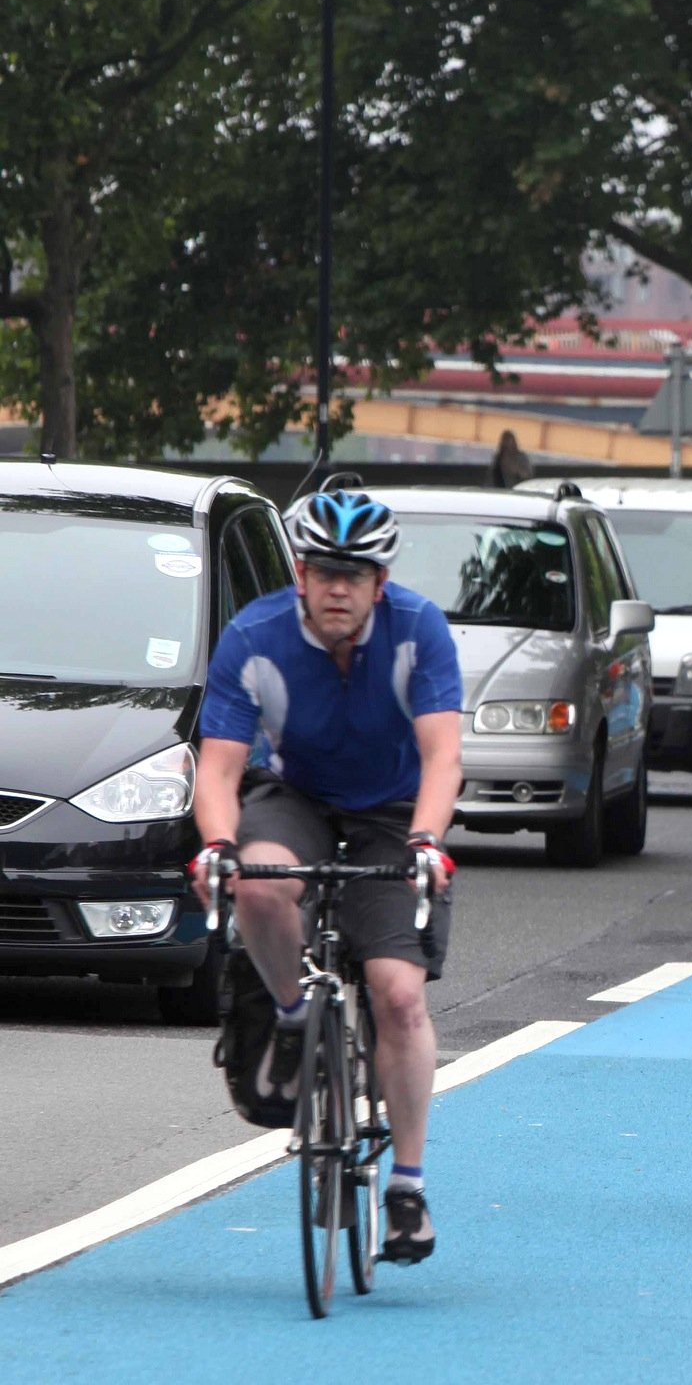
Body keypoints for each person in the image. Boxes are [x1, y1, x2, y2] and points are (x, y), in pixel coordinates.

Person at [189, 489, 463, 1265]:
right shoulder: (255, 635)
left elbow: (443, 753)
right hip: (296, 796)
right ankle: (287, 1014)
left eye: (357, 573)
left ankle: (406, 1189)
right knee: (258, 881)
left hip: (394, 809)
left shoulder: (419, 630)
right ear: (300, 575)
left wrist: (427, 840)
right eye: (324, 572)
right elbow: (220, 767)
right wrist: (217, 842)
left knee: (398, 994)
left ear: (381, 582)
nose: (339, 587)